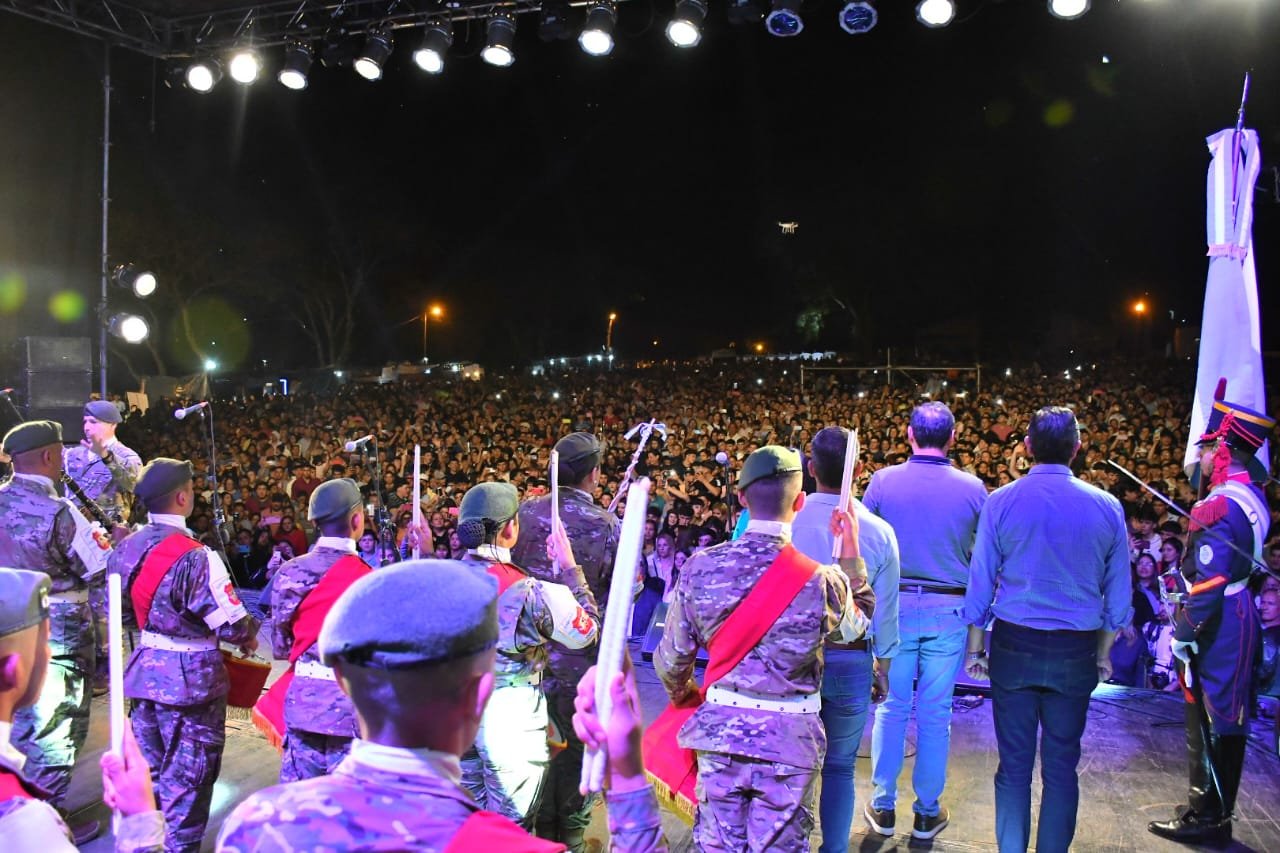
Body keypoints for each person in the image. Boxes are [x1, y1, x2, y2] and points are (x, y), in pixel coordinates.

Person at [217, 559, 665, 852]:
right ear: (481, 692)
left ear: (342, 684)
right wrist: (625, 775)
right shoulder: (509, 847)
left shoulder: (257, 825)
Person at [655, 445, 874, 852]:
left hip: (721, 735)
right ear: (800, 501)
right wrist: (851, 548)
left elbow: (670, 661)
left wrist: (684, 695)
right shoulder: (823, 581)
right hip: (791, 742)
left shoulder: (701, 568)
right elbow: (855, 628)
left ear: (741, 498)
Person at [962, 406, 1131, 853]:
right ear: (1077, 448)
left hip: (1015, 646)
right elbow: (1118, 598)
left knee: (1013, 768)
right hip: (1076, 651)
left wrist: (975, 651)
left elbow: (980, 585)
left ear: (1027, 447)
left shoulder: (1002, 501)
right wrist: (1103, 654)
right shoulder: (1107, 506)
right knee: (1061, 769)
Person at [109, 458, 262, 853]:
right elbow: (233, 628)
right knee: (190, 778)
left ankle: (148, 844)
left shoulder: (124, 548)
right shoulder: (197, 556)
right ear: (182, 497)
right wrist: (251, 631)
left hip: (145, 674)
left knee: (152, 773)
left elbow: (116, 613)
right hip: (191, 683)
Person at [1148, 392, 1273, 845]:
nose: (1198, 455)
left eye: (1204, 447)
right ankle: (1206, 807)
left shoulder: (1219, 507)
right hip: (1237, 614)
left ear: (1221, 449)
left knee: (1216, 717)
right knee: (1219, 714)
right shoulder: (1250, 496)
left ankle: (1210, 818)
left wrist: (1183, 631)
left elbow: (1211, 581)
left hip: (1219, 623)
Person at [861, 402, 987, 840]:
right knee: (936, 713)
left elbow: (864, 544)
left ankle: (883, 807)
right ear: (953, 437)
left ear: (909, 435)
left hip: (893, 606)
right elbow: (982, 559)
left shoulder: (883, 481)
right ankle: (927, 813)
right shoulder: (973, 488)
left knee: (892, 707)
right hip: (948, 610)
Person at [455, 481, 599, 827]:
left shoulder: (435, 580)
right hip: (509, 717)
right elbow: (587, 634)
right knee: (509, 830)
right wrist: (570, 569)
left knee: (466, 821)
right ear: (510, 529)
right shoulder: (530, 592)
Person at [0, 567, 167, 851]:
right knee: (55, 738)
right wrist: (140, 822)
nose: (48, 652)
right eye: (45, 641)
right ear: (12, 671)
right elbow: (99, 568)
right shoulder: (25, 824)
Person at [789, 426, 900, 852]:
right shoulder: (879, 531)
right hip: (851, 662)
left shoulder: (786, 522)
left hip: (793, 661)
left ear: (811, 468)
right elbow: (884, 612)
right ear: (859, 469)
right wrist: (883, 666)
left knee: (793, 766)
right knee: (838, 767)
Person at [510, 432, 620, 851]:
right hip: (580, 664)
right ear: (594, 474)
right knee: (575, 760)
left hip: (527, 661)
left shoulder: (524, 513)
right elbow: (617, 595)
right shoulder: (605, 524)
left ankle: (538, 837)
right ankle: (570, 839)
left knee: (535, 755)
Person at [0, 420, 102, 842]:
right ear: (48, 456)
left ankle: (11, 810)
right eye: (61, 453)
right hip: (56, 629)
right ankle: (48, 824)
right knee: (56, 726)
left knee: (12, 719)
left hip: (6, 623)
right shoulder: (60, 512)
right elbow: (98, 567)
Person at [267, 478, 373, 781]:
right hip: (350, 709)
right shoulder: (370, 579)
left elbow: (281, 647)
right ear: (357, 520)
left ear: (313, 521)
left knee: (302, 798)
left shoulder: (289, 572)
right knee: (346, 800)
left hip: (303, 702)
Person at [63, 399, 143, 524]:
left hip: (108, 530)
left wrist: (106, 456)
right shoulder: (73, 454)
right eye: (85, 422)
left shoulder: (127, 456)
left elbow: (132, 483)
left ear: (113, 425)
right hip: (73, 529)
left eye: (93, 422)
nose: (87, 427)